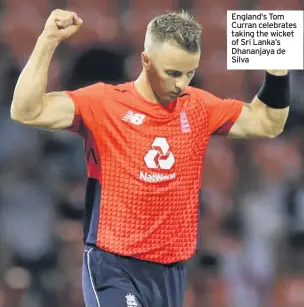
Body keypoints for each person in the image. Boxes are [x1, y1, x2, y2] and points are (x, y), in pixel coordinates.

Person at [10, 9, 290, 307]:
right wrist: (48, 40)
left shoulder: (199, 107)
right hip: (113, 264)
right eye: (172, 73)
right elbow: (26, 110)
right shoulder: (105, 103)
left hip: (171, 273)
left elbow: (267, 123)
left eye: (189, 73)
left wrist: (277, 70)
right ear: (146, 61)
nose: (182, 84)